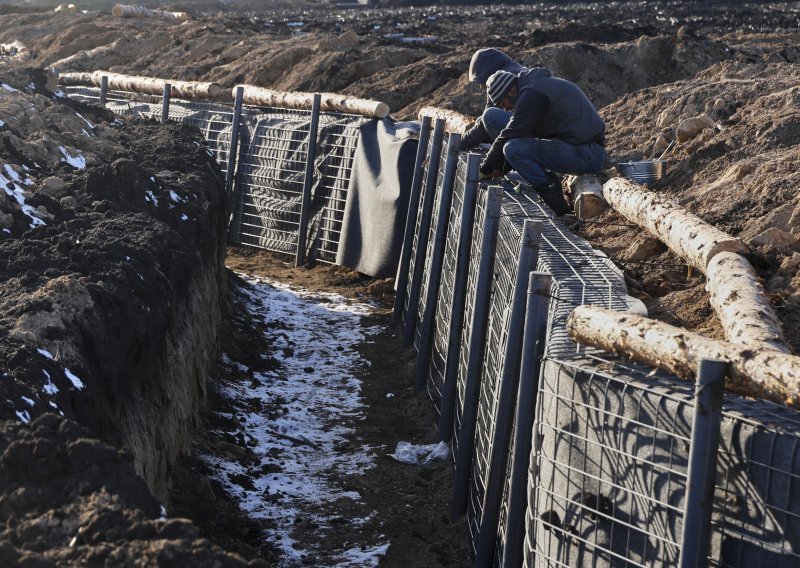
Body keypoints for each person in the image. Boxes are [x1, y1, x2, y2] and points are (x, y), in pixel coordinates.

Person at [475, 68, 607, 216]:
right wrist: (501, 168)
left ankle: (560, 210)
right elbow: (523, 133)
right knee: (509, 140)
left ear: (511, 91)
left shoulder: (532, 95)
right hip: (583, 148)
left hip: (588, 155)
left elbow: (512, 133)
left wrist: (484, 169)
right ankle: (553, 193)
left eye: (502, 102)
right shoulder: (535, 87)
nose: (505, 109)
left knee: (512, 148)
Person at [460, 48, 528, 150]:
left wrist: (460, 143)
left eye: (481, 81)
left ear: (487, 71)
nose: (481, 87)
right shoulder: (514, 69)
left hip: (529, 132)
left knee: (490, 116)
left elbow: (486, 121)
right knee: (483, 118)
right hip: (532, 127)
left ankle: (504, 156)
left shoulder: (501, 80)